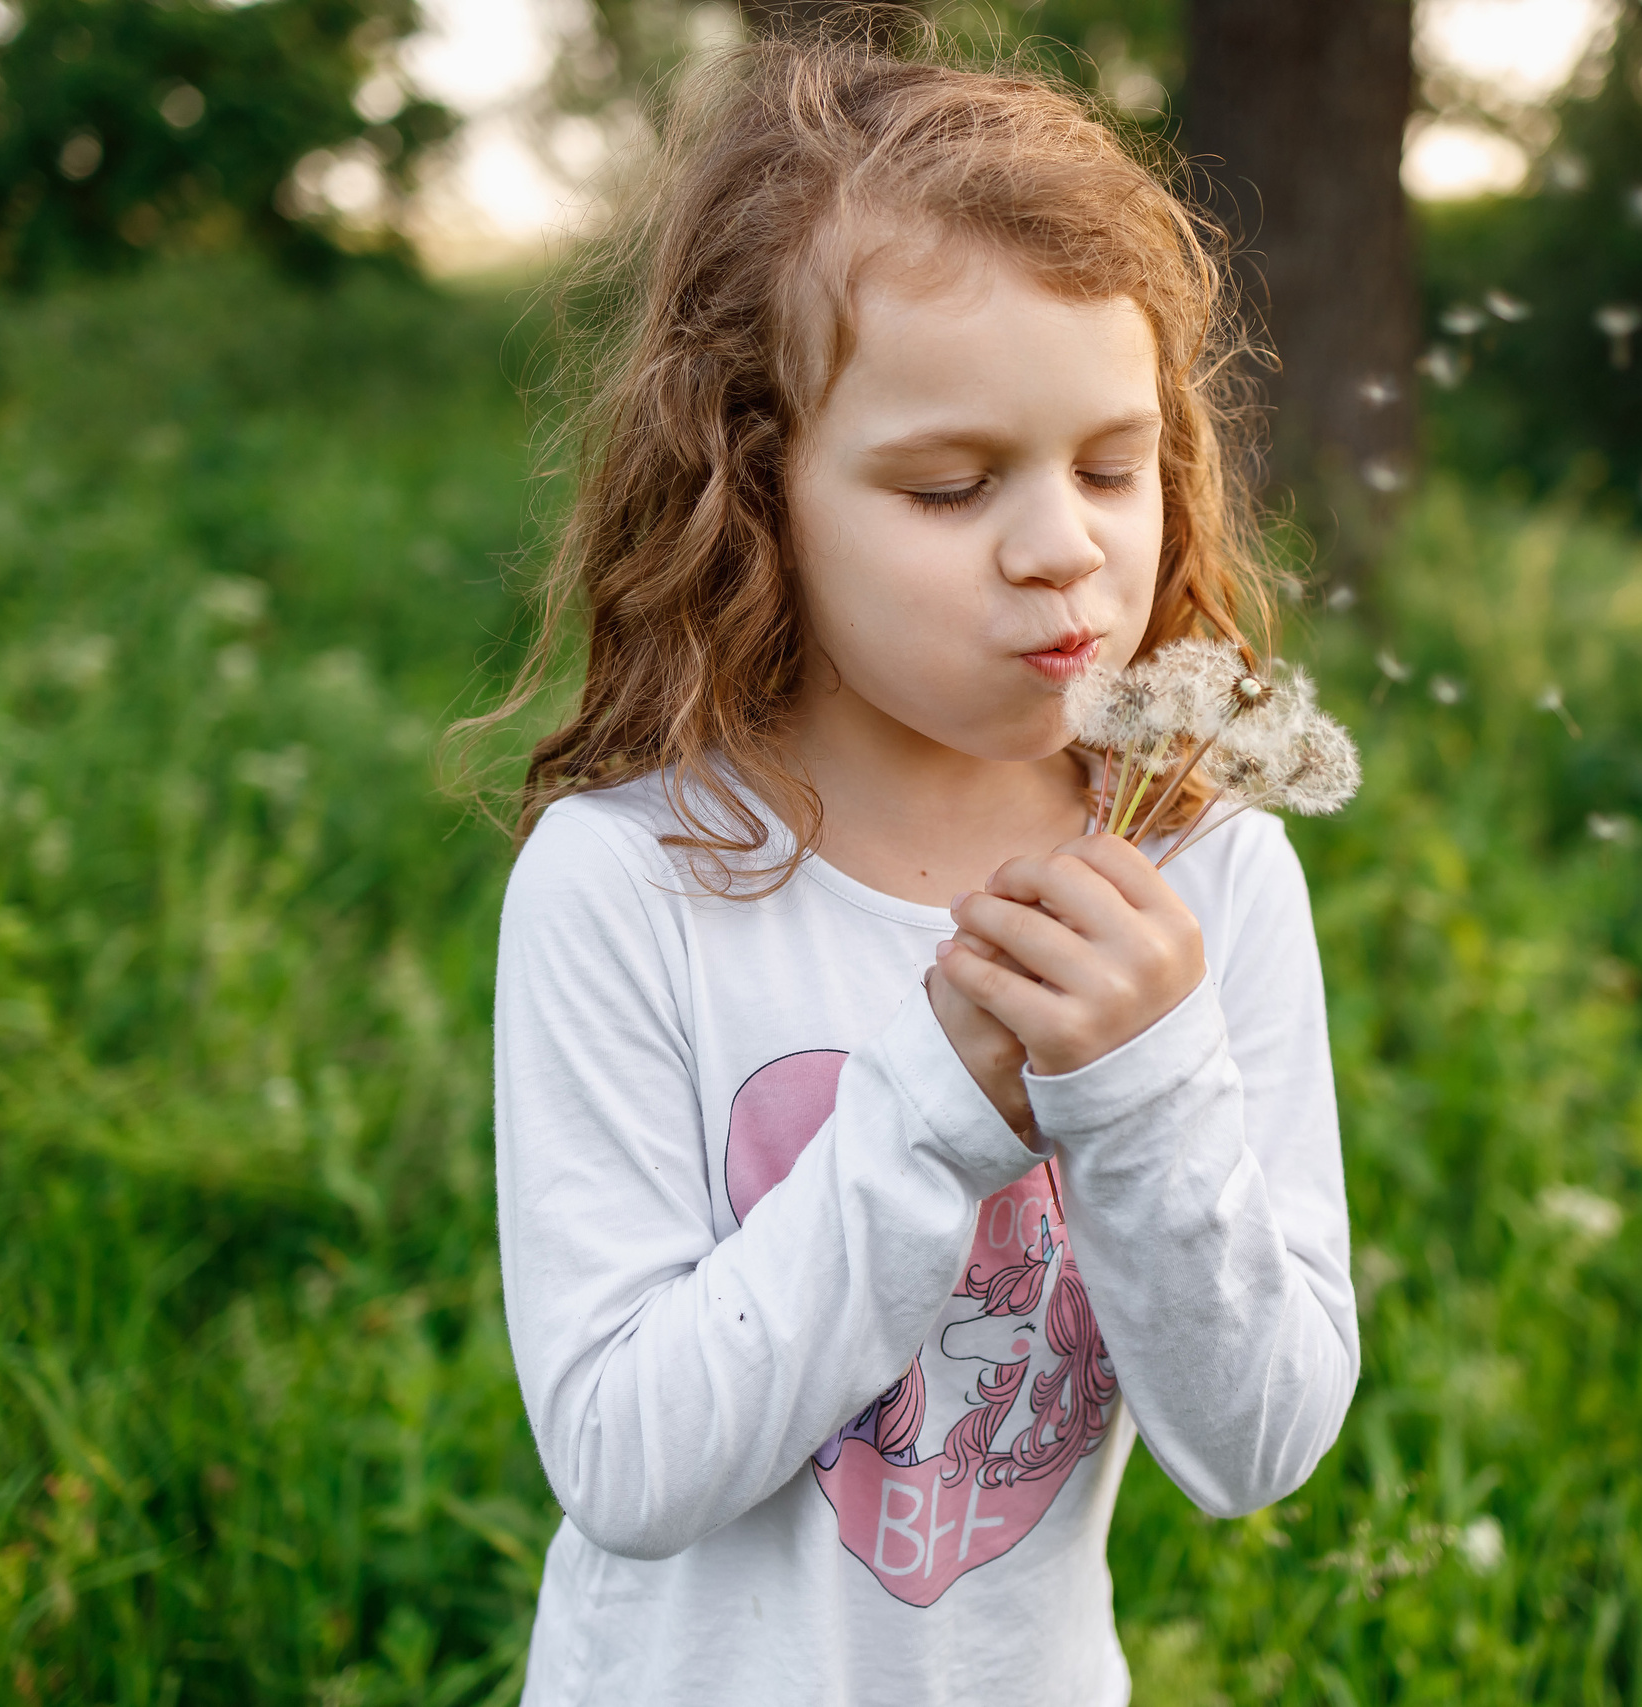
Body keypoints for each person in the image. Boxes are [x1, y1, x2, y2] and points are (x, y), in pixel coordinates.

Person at [480, 34, 1356, 1705]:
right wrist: (938, 1104)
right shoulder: (628, 886)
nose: (1062, 546)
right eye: (951, 486)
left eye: (1113, 466)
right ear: (758, 488)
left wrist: (1148, 1076)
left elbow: (1259, 1445)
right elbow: (624, 1462)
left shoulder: (1205, 877)